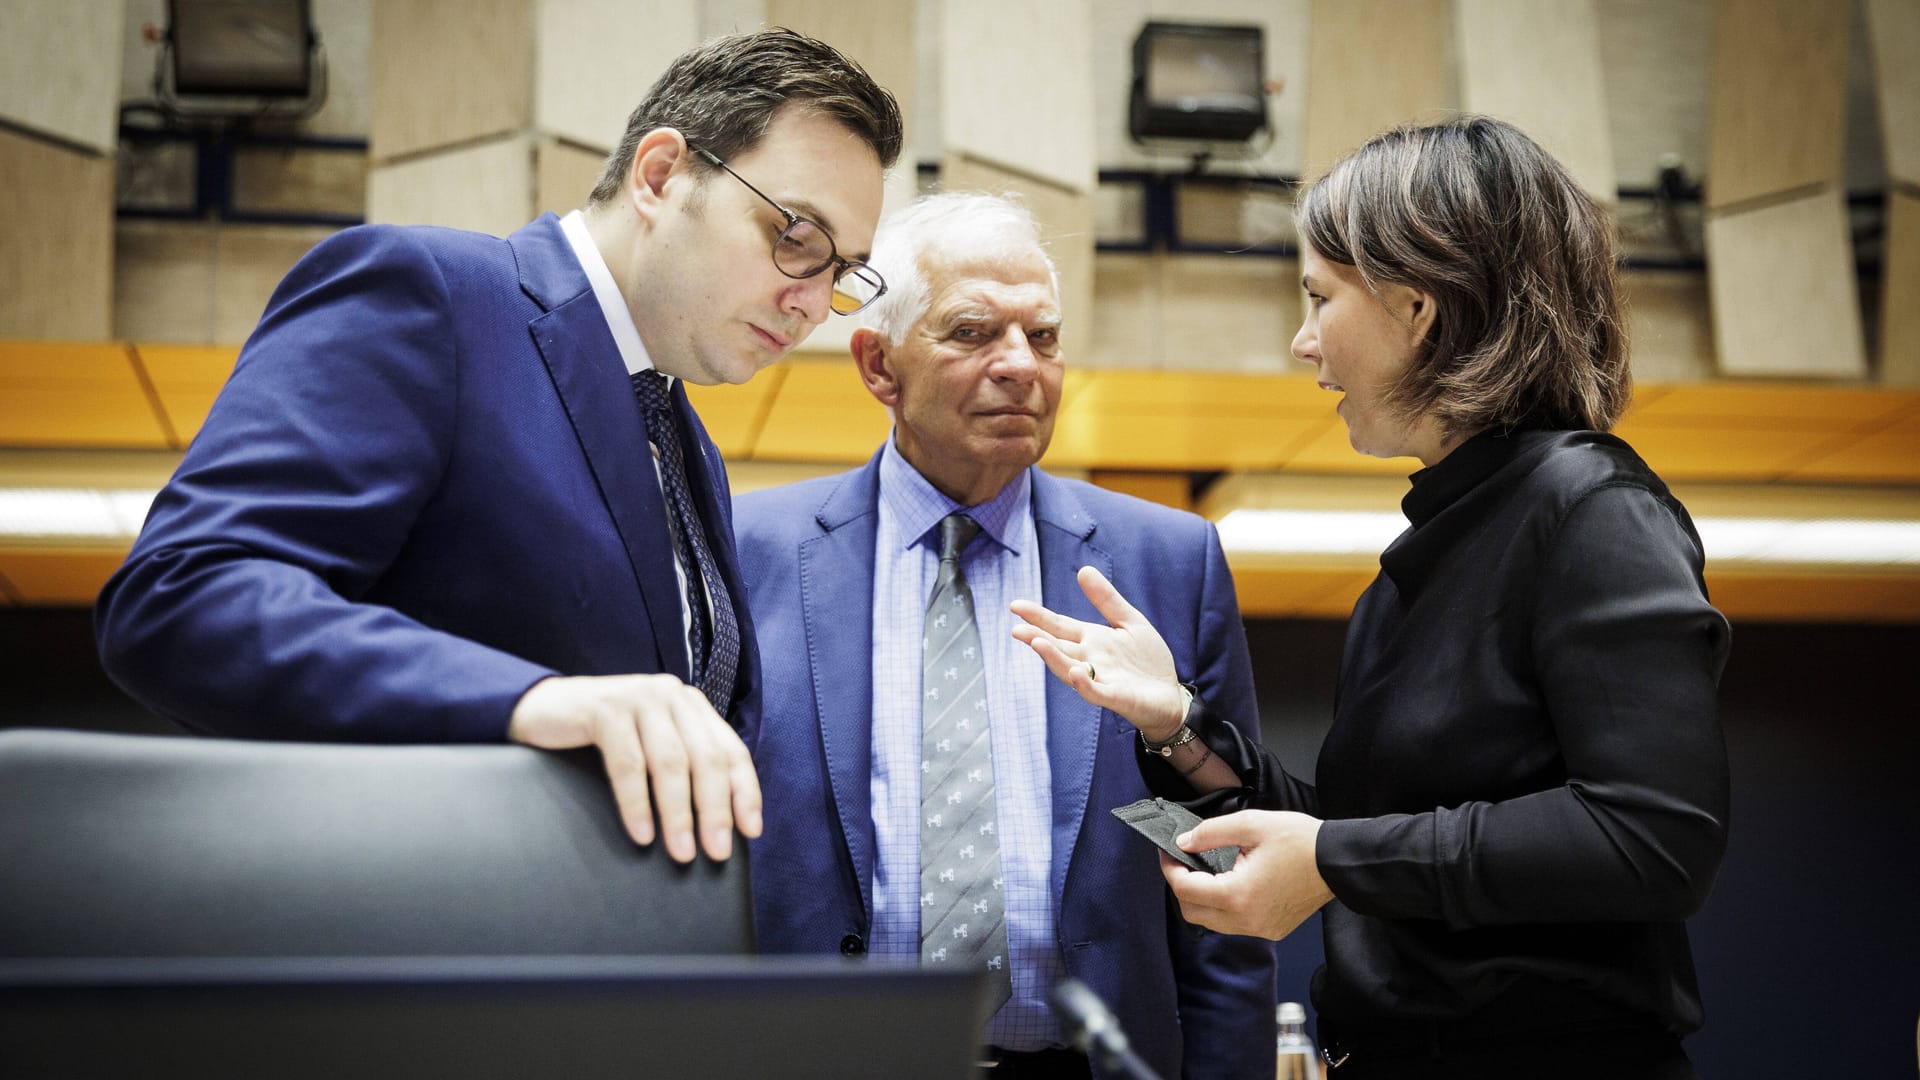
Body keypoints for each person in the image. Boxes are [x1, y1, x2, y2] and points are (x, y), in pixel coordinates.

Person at [1013, 116, 1731, 1079]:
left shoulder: (1591, 509)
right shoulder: (1435, 545)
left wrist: (1332, 862)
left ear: (1417, 306)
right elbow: (1357, 825)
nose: (1303, 343)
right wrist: (1178, 725)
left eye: (1318, 298)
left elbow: (1653, 836)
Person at [94, 29, 903, 865]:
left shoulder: (681, 431)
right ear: (661, 175)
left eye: (843, 271)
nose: (811, 303)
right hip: (414, 953)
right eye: (798, 236)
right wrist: (531, 702)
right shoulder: (429, 296)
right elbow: (180, 598)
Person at [731, 192, 1276, 1078]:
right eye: (974, 332)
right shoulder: (749, 552)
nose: (1021, 365)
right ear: (878, 364)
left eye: (1045, 337)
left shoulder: (1165, 563)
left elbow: (1220, 853)